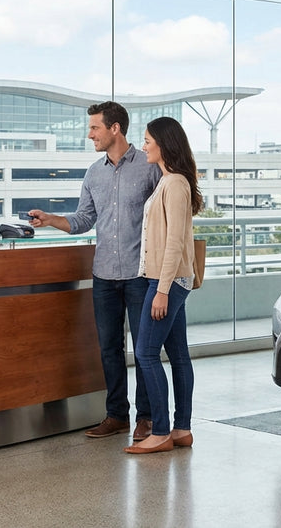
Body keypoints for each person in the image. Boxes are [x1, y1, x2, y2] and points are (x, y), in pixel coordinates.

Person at [28, 102, 162, 442]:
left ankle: (145, 418)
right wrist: (50, 220)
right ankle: (117, 415)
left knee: (144, 349)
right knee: (108, 348)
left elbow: (167, 214)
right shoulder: (94, 173)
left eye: (94, 128)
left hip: (140, 274)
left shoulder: (149, 168)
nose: (90, 135)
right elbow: (83, 219)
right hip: (103, 275)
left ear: (114, 128)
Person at [124, 116, 202, 454]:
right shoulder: (172, 181)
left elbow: (173, 243)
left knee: (145, 352)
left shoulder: (174, 185)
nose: (143, 147)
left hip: (166, 280)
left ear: (164, 144)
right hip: (171, 278)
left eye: (147, 141)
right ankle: (181, 429)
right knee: (179, 354)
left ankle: (160, 431)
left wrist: (161, 290)